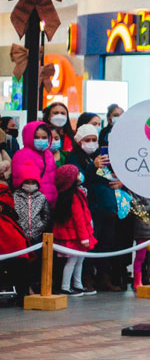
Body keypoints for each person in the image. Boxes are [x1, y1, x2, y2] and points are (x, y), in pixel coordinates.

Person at [66, 124, 123, 292]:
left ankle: (103, 278)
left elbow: (105, 179)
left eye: (94, 140)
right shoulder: (74, 158)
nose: (91, 143)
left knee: (107, 243)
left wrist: (118, 181)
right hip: (89, 208)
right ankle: (86, 278)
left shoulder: (101, 156)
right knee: (90, 244)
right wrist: (93, 167)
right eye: (87, 140)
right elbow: (80, 179)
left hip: (108, 207)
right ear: (79, 141)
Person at [51, 164, 96, 296]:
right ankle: (66, 286)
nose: (79, 176)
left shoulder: (76, 194)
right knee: (72, 261)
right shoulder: (74, 197)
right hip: (75, 235)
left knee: (78, 260)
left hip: (78, 234)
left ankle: (77, 284)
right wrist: (84, 238)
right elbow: (79, 219)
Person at [12, 154, 50, 295]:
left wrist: (40, 226)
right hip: (20, 238)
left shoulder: (41, 197)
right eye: (27, 181)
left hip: (36, 237)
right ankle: (23, 290)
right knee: (22, 265)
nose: (29, 184)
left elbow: (46, 215)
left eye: (32, 181)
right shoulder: (15, 197)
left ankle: (34, 289)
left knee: (36, 265)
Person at [12, 122, 57, 202]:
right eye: (36, 137)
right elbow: (18, 182)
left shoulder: (48, 154)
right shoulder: (21, 155)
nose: (40, 140)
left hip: (50, 203)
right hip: (31, 204)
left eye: (44, 137)